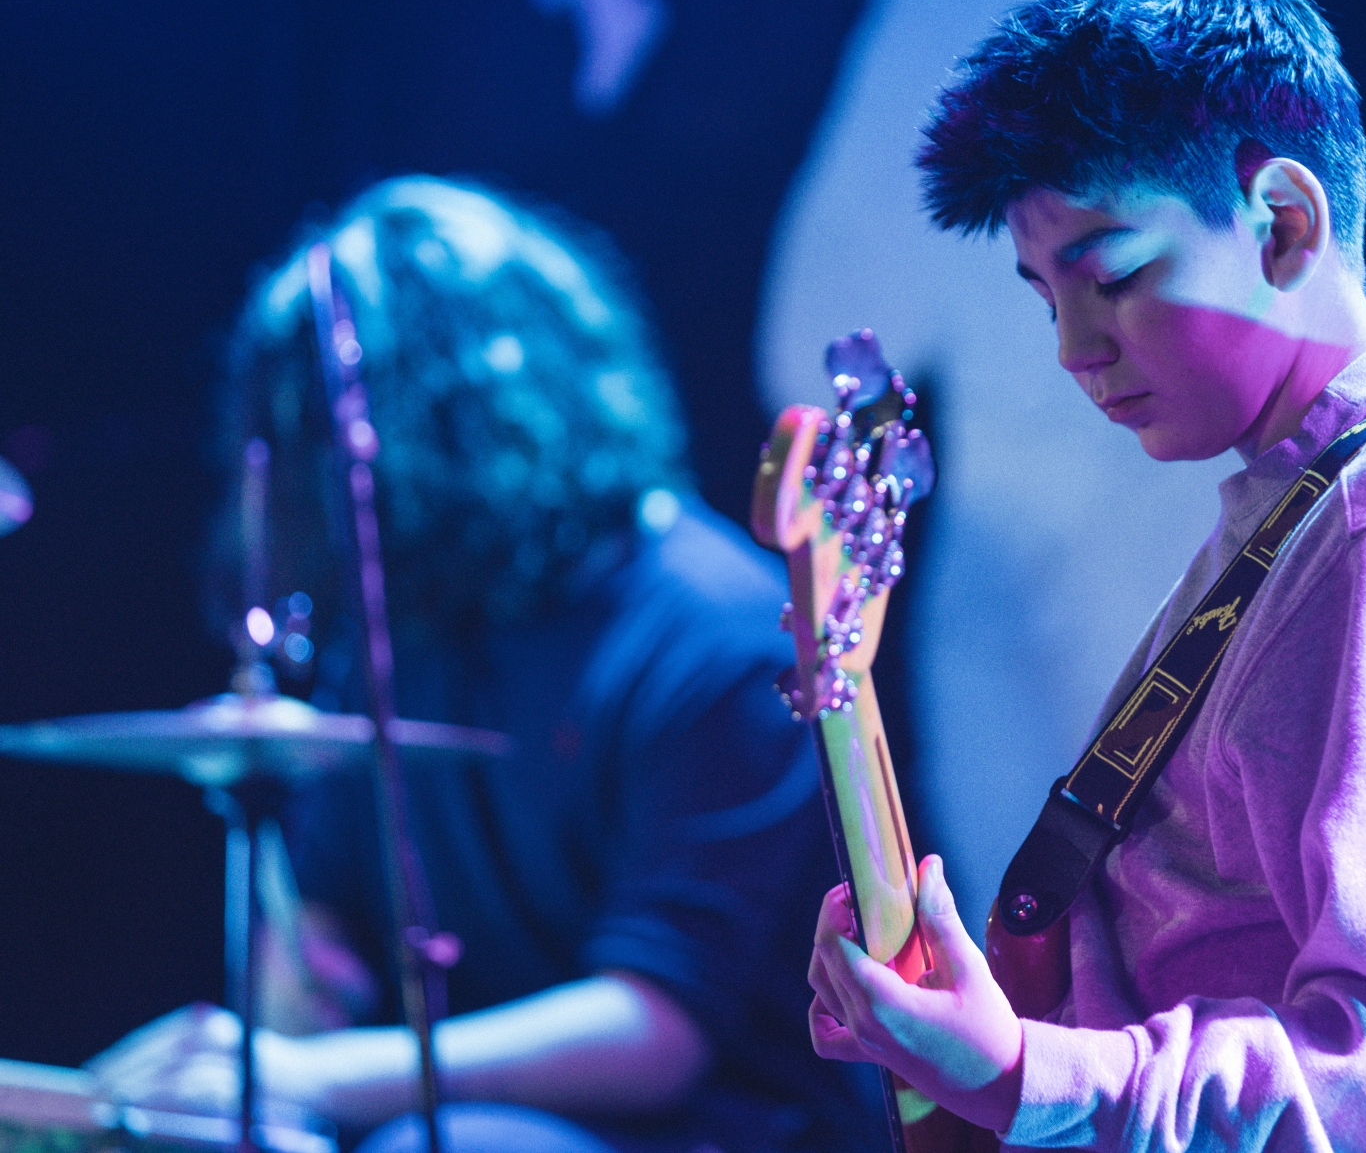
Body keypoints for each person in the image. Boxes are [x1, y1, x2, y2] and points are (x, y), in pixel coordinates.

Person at [804, 0, 1366, 1151]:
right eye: (1044, 300)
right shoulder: (1301, 512)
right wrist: (960, 1039)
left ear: (1283, 224)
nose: (1076, 349)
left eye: (1115, 277)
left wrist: (1025, 1070)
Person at [88, 178, 870, 1153]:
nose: (321, 484)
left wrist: (297, 1072)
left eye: (331, 443)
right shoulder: (406, 624)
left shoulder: (720, 635)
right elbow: (326, 929)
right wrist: (299, 979)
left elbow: (655, 1030)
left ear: (455, 421)